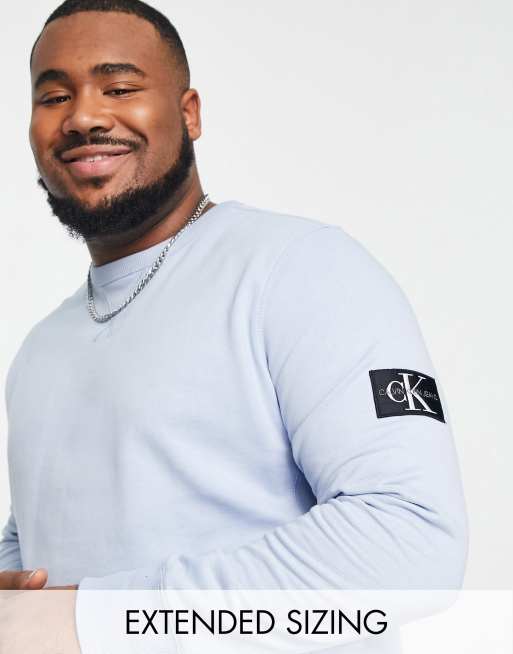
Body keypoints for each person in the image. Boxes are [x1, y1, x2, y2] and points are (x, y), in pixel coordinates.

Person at [0, 0, 468, 651]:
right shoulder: (40, 350)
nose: (83, 116)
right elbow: (46, 547)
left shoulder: (301, 269)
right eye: (54, 97)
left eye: (120, 88)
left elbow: (410, 544)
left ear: (188, 113)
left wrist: (96, 619)